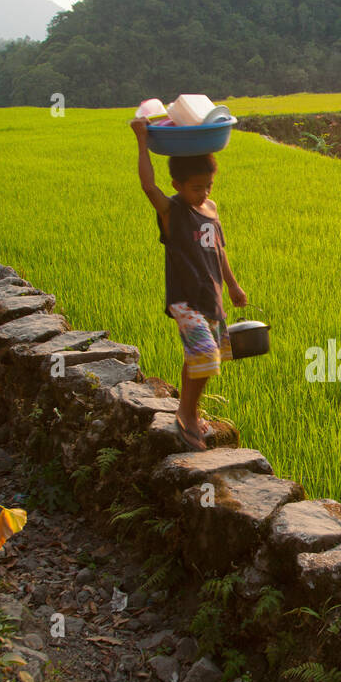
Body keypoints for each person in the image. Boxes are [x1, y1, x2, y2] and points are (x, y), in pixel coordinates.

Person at [130, 118, 248, 451]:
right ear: (177, 185)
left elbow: (219, 249)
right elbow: (148, 187)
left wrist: (234, 286)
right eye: (197, 187)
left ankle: (189, 408)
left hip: (211, 296)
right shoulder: (173, 210)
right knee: (206, 357)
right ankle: (187, 414)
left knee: (199, 358)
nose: (205, 192)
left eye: (208, 185)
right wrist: (141, 139)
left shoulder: (210, 209)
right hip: (185, 298)